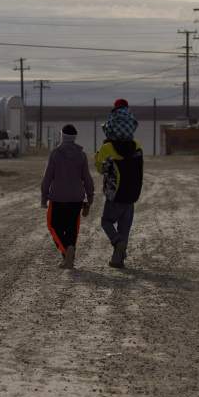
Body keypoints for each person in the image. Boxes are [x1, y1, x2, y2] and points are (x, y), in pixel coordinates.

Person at [95, 99, 144, 269]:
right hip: (131, 193)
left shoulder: (107, 148)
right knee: (125, 228)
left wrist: (98, 155)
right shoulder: (137, 146)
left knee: (106, 222)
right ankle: (118, 260)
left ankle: (117, 242)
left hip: (114, 194)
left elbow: (100, 169)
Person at [40, 124, 94, 270]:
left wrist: (44, 198)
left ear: (62, 136)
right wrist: (90, 197)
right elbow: (87, 178)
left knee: (53, 226)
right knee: (71, 229)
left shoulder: (55, 153)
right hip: (76, 199)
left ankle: (66, 251)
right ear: (74, 137)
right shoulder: (81, 155)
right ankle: (68, 256)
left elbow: (47, 177)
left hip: (57, 198)